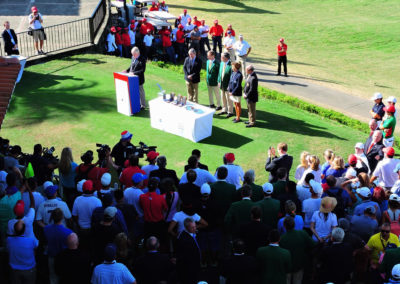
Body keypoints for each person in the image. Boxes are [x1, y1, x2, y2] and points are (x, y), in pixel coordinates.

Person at [280, 216, 315, 284]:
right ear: (294, 224)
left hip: (287, 268)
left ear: (284, 226)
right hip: (299, 266)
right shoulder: (302, 233)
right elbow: (313, 244)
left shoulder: (282, 239)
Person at [44, 208, 73, 284]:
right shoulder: (68, 232)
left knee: (53, 278)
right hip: (64, 258)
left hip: (52, 257)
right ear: (62, 217)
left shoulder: (46, 229)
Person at [140, 177, 167, 242]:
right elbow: (165, 209)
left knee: (148, 241)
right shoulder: (161, 198)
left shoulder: (142, 197)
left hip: (147, 224)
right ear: (157, 186)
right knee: (158, 241)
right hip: (158, 224)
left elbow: (142, 206)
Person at [176, 218, 201, 283]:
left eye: (195, 226)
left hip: (194, 266)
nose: (195, 229)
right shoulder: (184, 239)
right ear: (186, 228)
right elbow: (184, 257)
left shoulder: (192, 233)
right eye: (192, 227)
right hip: (189, 269)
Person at [218, 52, 234, 117]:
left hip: (228, 86)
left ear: (225, 58)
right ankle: (224, 109)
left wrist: (229, 86)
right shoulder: (221, 63)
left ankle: (230, 112)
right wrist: (219, 81)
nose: (220, 58)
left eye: (222, 57)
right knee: (223, 97)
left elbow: (231, 78)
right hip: (222, 85)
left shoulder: (231, 65)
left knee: (229, 99)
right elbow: (220, 73)